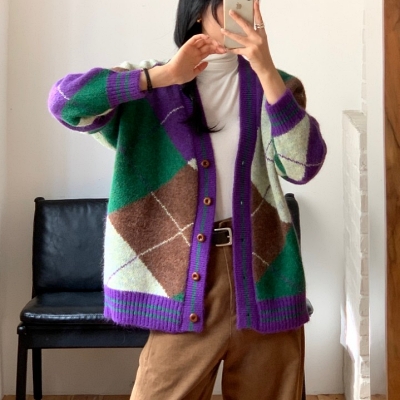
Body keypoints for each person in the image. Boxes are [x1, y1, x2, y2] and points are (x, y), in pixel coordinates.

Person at [48, 0, 326, 398]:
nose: (240, 12)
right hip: (183, 280)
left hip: (264, 278)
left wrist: (265, 68)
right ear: (197, 11)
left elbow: (303, 167)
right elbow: (65, 103)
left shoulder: (276, 87)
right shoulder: (150, 84)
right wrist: (161, 77)